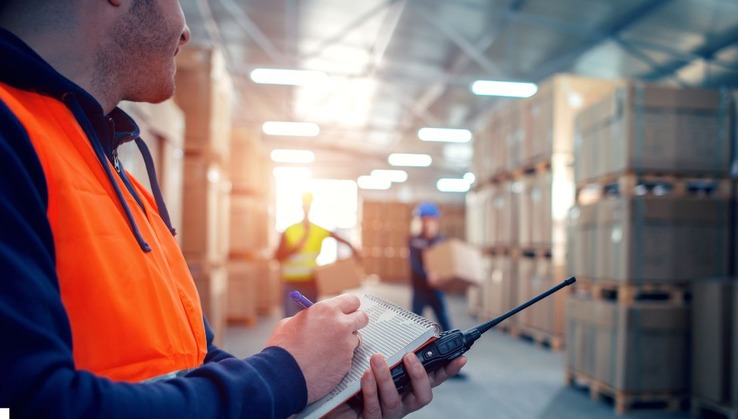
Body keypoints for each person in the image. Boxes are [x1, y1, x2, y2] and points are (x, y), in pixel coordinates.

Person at [0, 1, 465, 417]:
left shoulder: (119, 177)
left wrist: (319, 400)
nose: (185, 31)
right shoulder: (12, 138)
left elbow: (190, 361)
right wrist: (284, 374)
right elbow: (30, 404)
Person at [274, 192, 361, 317]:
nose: (306, 208)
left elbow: (337, 237)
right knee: (289, 321)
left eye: (308, 206)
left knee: (311, 320)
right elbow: (277, 256)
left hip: (311, 282)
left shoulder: (317, 229)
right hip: (292, 284)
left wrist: (353, 248)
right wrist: (295, 248)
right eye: (305, 205)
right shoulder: (289, 230)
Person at [408, 203, 454, 332]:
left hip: (436, 287)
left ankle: (451, 343)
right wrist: (426, 275)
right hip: (420, 286)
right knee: (415, 319)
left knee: (442, 317)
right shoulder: (414, 239)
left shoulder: (440, 238)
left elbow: (443, 261)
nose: (429, 223)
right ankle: (412, 345)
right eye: (425, 219)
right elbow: (414, 263)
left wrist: (438, 277)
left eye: (431, 219)